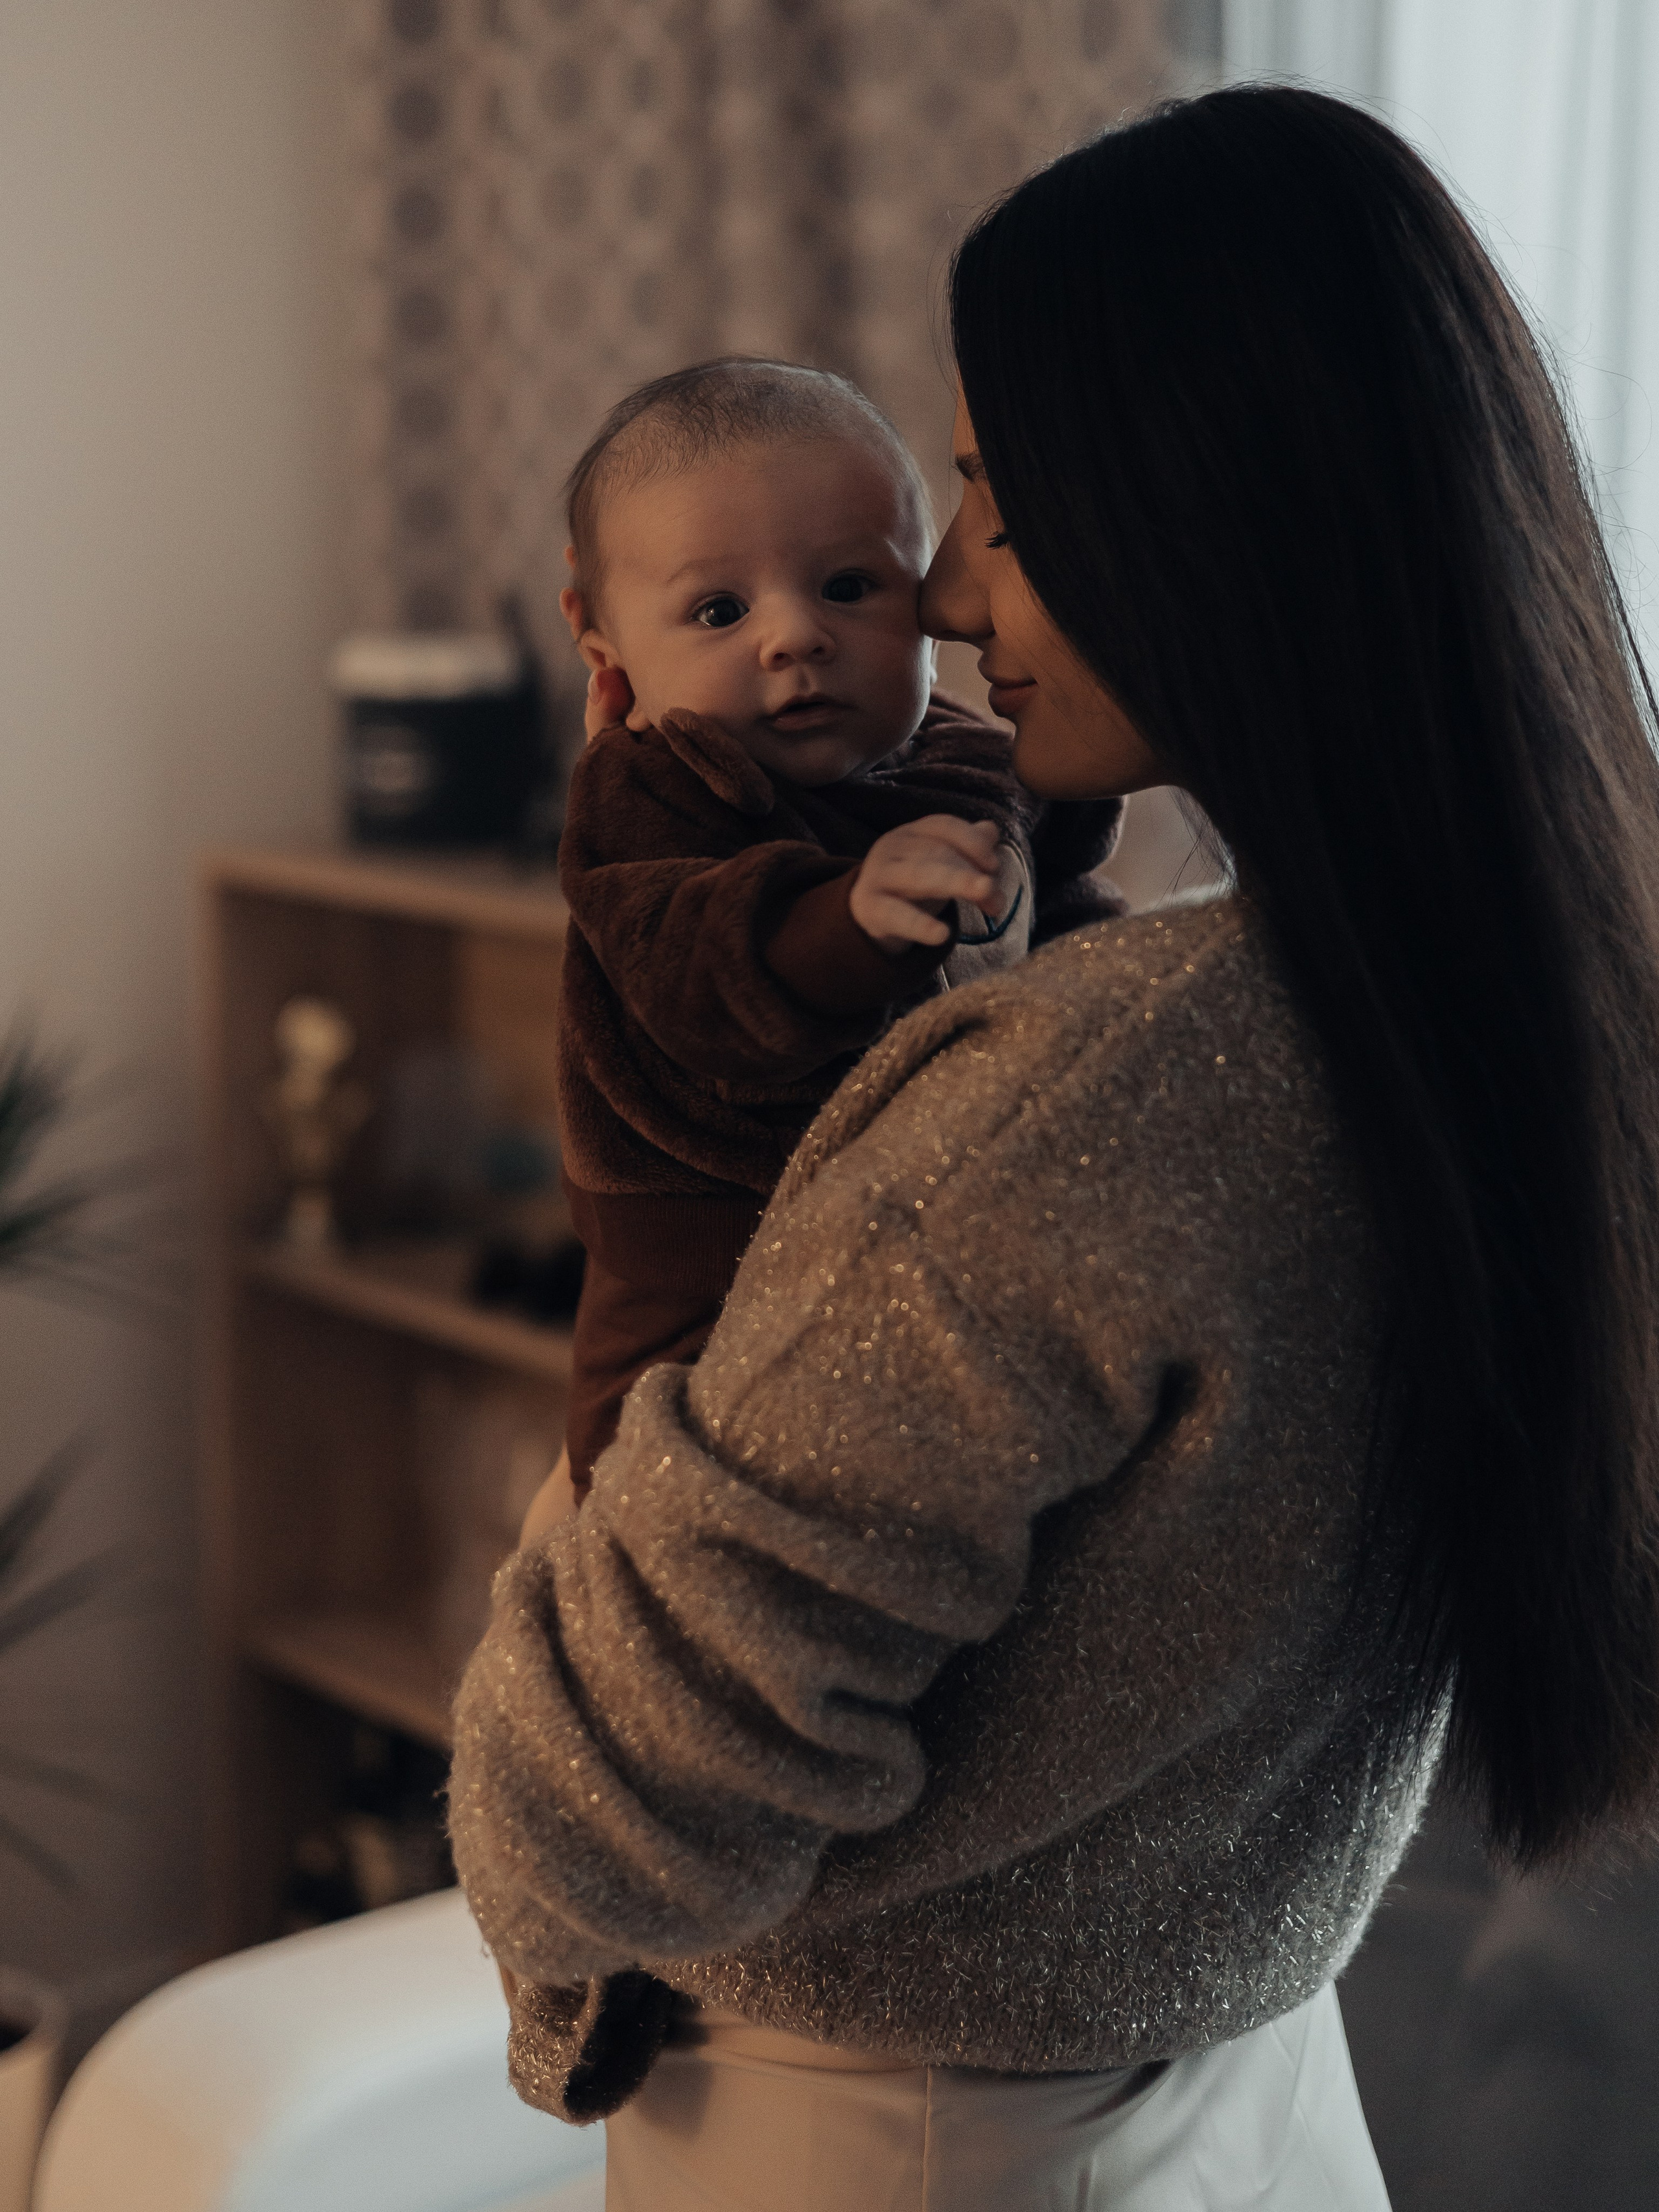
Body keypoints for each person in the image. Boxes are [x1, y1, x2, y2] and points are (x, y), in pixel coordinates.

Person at [450, 85, 1659, 2210]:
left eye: (995, 497)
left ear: (1198, 518)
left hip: (902, 2132)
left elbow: (595, 1803)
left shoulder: (1100, 1095)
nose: (931, 590)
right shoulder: (1518, 987)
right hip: (1250, 2070)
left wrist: (555, 1550)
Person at [551, 358, 1122, 1500]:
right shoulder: (654, 792)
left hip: (923, 1271)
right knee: (677, 1531)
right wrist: (846, 922)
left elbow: (1066, 911)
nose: (793, 639)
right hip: (708, 1295)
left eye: (851, 586)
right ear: (598, 636)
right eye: (720, 610)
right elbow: (695, 972)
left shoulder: (970, 755)